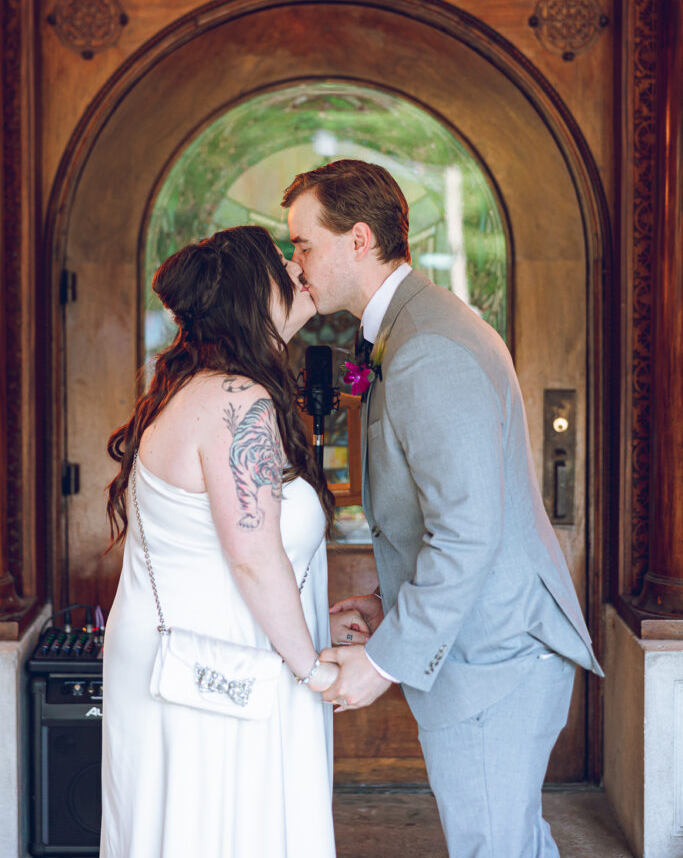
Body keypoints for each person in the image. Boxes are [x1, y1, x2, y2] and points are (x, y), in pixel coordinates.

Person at [282, 159, 604, 858]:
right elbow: (440, 513)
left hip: (494, 656)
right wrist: (384, 600)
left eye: (303, 245)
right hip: (487, 645)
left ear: (358, 240)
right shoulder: (414, 325)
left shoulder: (426, 347)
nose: (295, 264)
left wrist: (384, 660)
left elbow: (467, 531)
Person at [101, 225, 347, 858]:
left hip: (203, 659)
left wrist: (318, 614)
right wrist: (314, 669)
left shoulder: (196, 389)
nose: (297, 272)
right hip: (222, 674)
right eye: (281, 265)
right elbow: (252, 555)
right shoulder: (239, 399)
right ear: (251, 294)